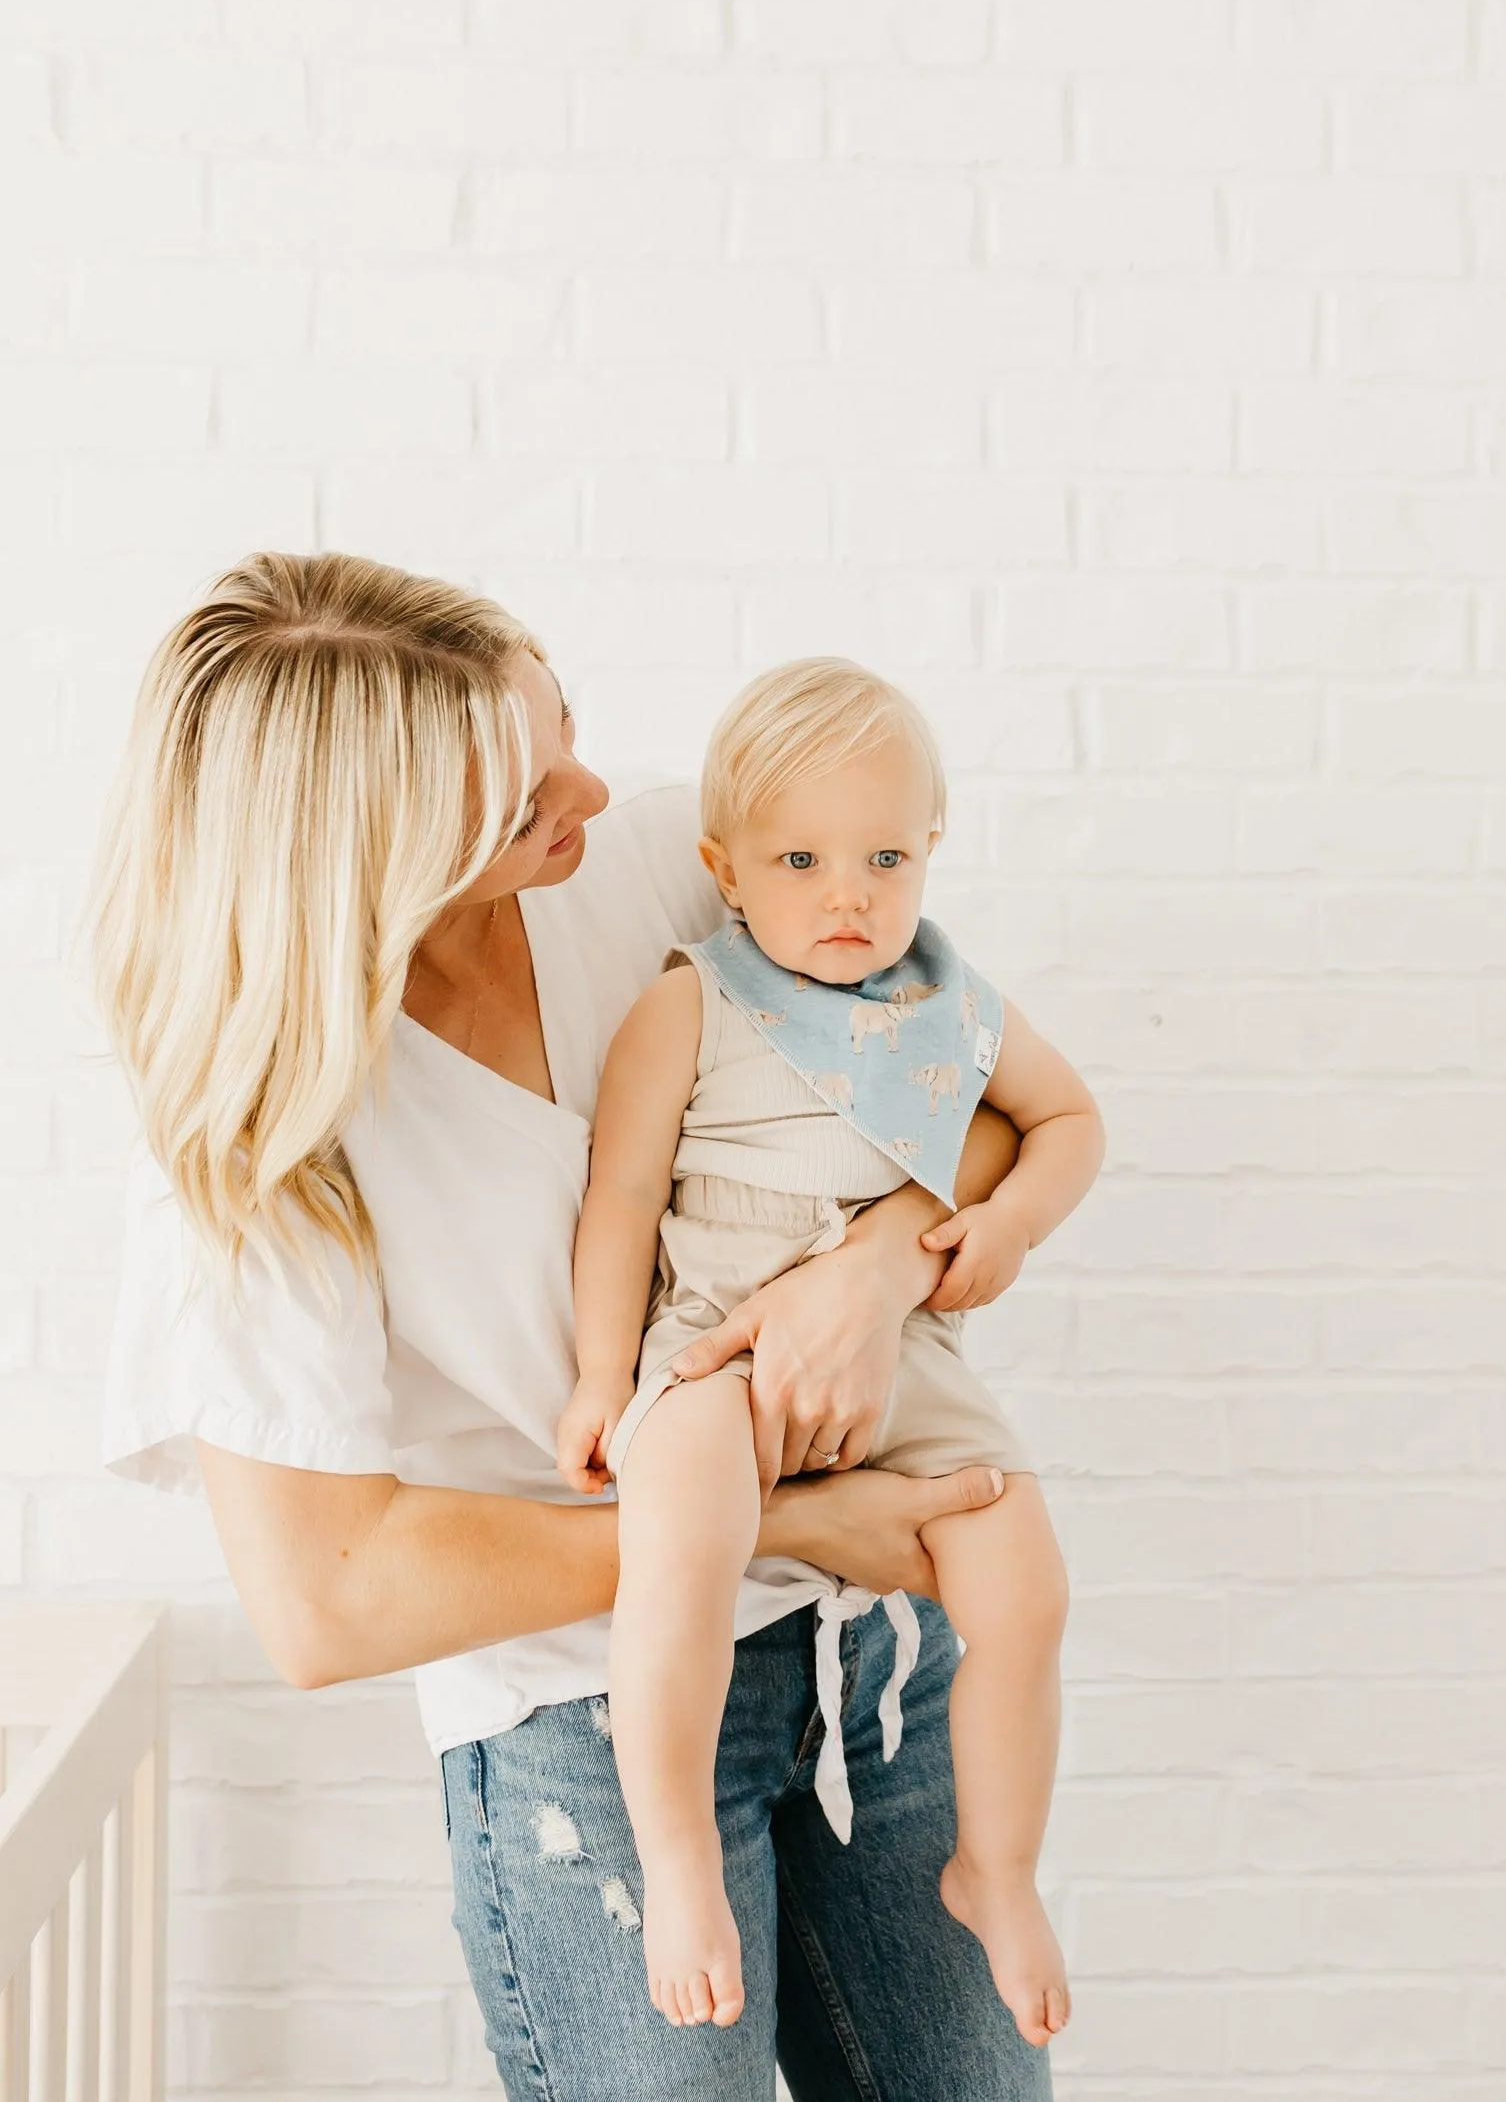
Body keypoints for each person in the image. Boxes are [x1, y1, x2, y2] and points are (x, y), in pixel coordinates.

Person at [92, 551, 1057, 2102]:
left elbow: (988, 1110)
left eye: (567, 731)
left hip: (866, 1650)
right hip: (576, 1714)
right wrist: (780, 1521)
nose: (594, 793)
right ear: (382, 855)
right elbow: (327, 1601)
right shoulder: (256, 1142)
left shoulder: (687, 865)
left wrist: (872, 1271)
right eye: (526, 794)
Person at [558, 659, 1103, 2046]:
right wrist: (600, 1376)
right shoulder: (690, 1002)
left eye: (882, 857)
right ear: (723, 867)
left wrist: (1011, 1227)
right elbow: (619, 1200)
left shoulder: (950, 1004)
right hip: (717, 1344)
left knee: (1024, 1591)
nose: (845, 895)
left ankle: (997, 1867)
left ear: (931, 851)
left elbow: (1068, 1122)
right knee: (674, 1547)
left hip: (908, 1352)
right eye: (799, 859)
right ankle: (677, 1858)